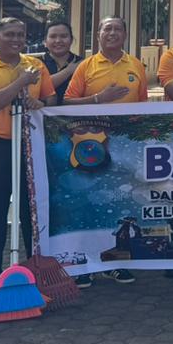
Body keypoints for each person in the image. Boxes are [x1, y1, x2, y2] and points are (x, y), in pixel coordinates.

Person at [0, 15, 56, 299]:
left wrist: (38, 102)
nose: (16, 40)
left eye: (21, 35)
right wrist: (20, 83)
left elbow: (50, 100)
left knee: (33, 213)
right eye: (10, 35)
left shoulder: (36, 66)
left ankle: (37, 274)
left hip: (30, 146)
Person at [63, 15, 148, 286]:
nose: (112, 33)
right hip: (91, 148)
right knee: (89, 204)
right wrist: (99, 99)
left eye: (117, 29)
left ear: (125, 34)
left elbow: (145, 108)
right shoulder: (86, 66)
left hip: (125, 148)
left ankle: (115, 263)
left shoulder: (136, 65)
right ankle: (85, 264)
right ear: (98, 34)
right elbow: (67, 102)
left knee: (119, 206)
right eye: (107, 29)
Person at [37, 21, 81, 105]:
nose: (58, 40)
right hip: (42, 113)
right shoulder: (35, 63)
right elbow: (38, 87)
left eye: (63, 36)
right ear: (45, 41)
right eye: (53, 36)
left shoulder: (83, 63)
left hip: (76, 112)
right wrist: (69, 71)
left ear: (71, 40)